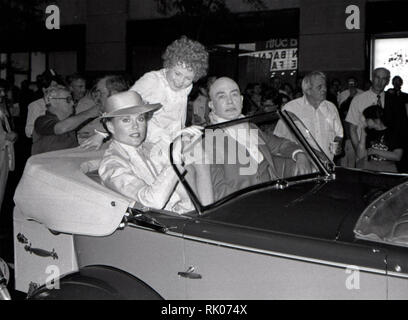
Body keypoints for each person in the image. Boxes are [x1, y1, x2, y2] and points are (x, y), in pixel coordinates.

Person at [98, 91, 213, 213]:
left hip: (187, 217)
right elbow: (153, 201)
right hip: (158, 226)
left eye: (140, 118)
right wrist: (174, 160)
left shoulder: (151, 148)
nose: (136, 126)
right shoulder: (111, 165)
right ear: (110, 127)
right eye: (126, 120)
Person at [205, 77, 313, 201]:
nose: (230, 101)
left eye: (234, 95)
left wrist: (300, 155)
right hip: (244, 209)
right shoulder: (207, 140)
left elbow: (281, 144)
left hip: (275, 197)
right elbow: (218, 190)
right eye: (222, 96)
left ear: (241, 100)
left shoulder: (251, 128)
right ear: (212, 105)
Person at [130, 36, 209, 145]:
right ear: (169, 65)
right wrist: (101, 133)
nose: (180, 81)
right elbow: (123, 105)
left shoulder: (186, 87)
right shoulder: (152, 80)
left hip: (170, 142)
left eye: (188, 78)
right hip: (145, 141)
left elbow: (178, 119)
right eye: (177, 73)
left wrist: (183, 134)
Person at [345, 67, 408, 170]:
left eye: (383, 79)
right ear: (372, 78)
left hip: (389, 157)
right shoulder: (359, 99)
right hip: (365, 151)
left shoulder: (394, 101)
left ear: (387, 81)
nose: (379, 82)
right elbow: (352, 128)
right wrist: (358, 150)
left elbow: (401, 129)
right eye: (377, 77)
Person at [274, 71, 344, 160]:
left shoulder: (331, 107)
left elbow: (339, 133)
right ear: (308, 90)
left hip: (327, 165)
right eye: (320, 87)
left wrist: (337, 144)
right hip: (301, 164)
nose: (325, 89)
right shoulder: (291, 108)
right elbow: (279, 138)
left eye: (325, 86)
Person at [32, 86, 100, 155]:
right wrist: (90, 113)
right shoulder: (41, 121)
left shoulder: (69, 121)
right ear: (53, 101)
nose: (73, 103)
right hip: (47, 164)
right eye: (68, 99)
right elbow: (61, 128)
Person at [77, 75, 130, 146]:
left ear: (114, 94)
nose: (98, 97)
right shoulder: (107, 112)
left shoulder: (127, 112)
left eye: (101, 93)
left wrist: (101, 136)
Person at [356, 105, 403, 173]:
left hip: (388, 170)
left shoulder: (393, 133)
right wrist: (363, 133)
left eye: (367, 119)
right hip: (370, 169)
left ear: (376, 119)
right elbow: (360, 155)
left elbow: (397, 156)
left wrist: (374, 151)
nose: (365, 122)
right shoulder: (369, 133)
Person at [25, 69, 62, 138]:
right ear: (44, 89)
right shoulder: (35, 105)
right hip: (45, 144)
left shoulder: (62, 102)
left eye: (58, 86)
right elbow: (28, 131)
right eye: (54, 86)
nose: (58, 89)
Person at [0, 80, 17, 214]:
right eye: (0, 90)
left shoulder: (1, 111)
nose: (3, 93)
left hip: (4, 157)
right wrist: (6, 137)